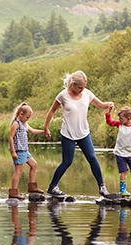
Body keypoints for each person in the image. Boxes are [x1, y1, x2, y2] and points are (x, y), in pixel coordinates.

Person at [44, 70, 113, 198]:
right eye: (80, 87)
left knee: (92, 158)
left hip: (83, 132)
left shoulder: (87, 94)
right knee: (67, 161)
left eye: (83, 87)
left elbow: (101, 105)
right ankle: (52, 187)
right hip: (68, 133)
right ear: (73, 84)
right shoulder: (63, 95)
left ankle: (102, 187)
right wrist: (46, 127)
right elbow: (52, 111)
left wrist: (108, 104)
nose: (82, 90)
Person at [8, 102, 45, 200]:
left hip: (25, 150)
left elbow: (32, 131)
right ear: (21, 114)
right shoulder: (16, 123)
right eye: (27, 117)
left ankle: (32, 187)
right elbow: (10, 138)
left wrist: (44, 132)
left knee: (34, 165)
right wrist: (13, 152)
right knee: (18, 171)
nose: (28, 119)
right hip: (18, 150)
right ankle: (13, 192)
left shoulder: (24, 124)